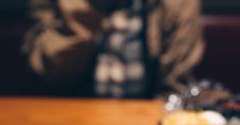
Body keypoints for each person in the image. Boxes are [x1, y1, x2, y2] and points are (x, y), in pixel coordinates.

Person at [23, 0, 204, 98]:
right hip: (70, 116)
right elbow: (48, 75)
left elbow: (176, 85)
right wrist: (80, 13)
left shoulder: (178, 3)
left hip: (148, 120)